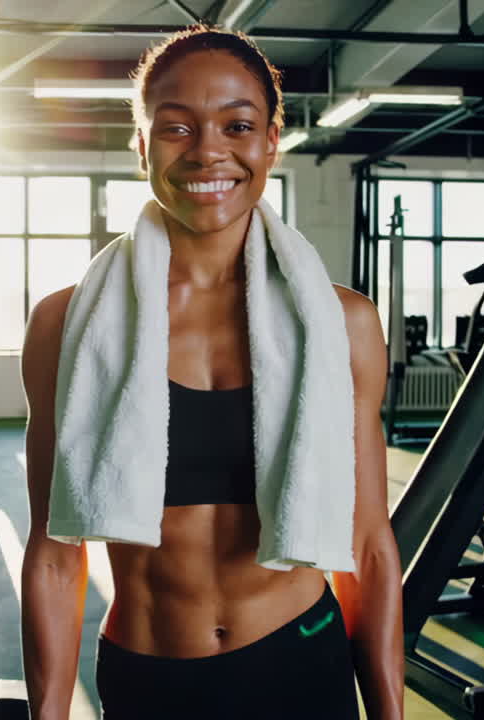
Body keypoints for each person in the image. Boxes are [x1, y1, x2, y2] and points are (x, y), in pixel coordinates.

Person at [20, 25, 403, 720]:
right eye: (176, 128)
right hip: (149, 675)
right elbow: (53, 554)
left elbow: (370, 547)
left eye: (237, 125)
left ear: (269, 142)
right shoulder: (66, 326)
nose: (208, 151)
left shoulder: (341, 323)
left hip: (300, 658)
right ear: (141, 147)